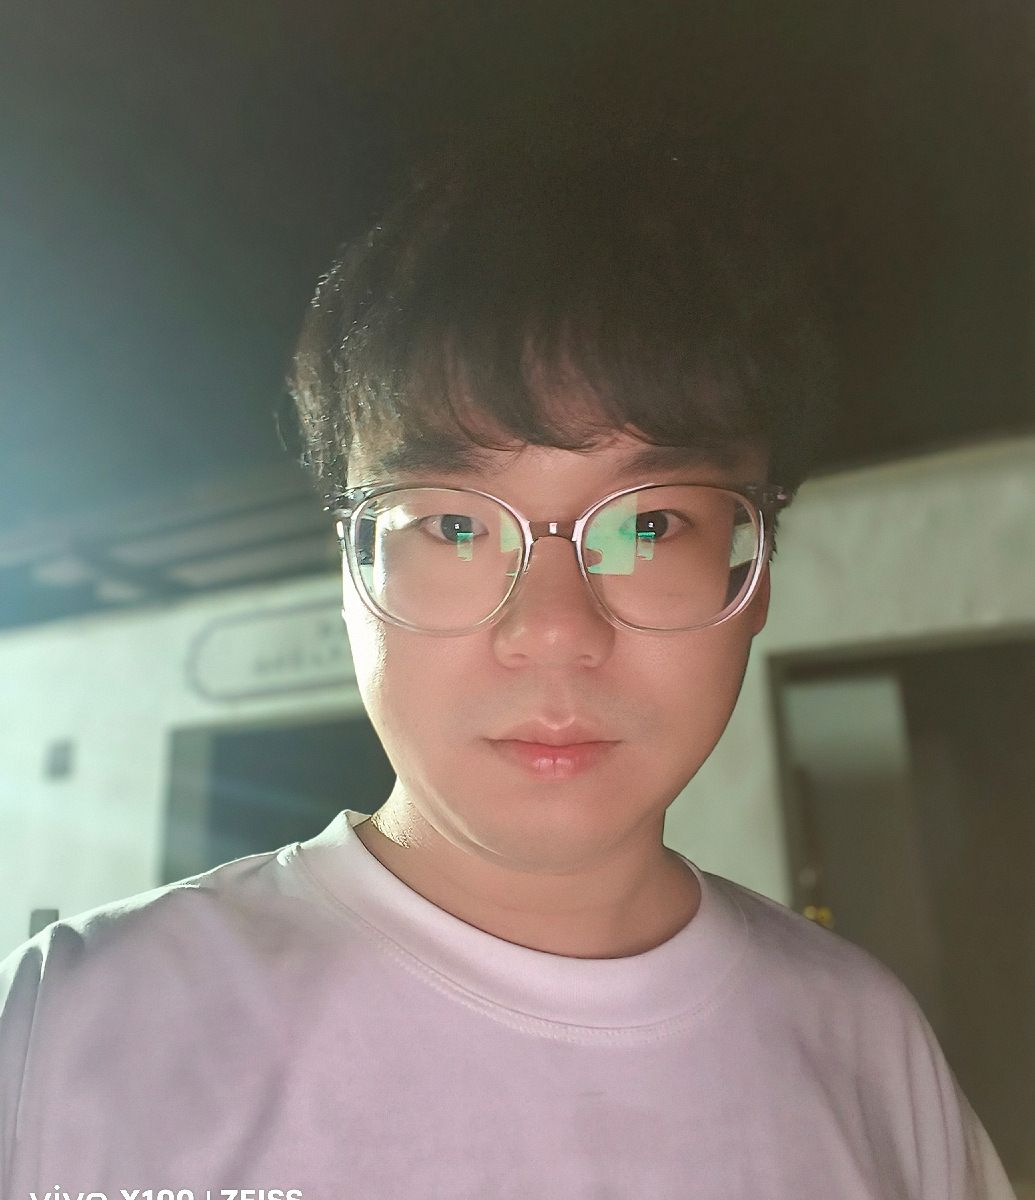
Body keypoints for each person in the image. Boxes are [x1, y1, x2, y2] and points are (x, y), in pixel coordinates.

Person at [0, 122, 1016, 1198]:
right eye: (452, 526)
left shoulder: (867, 1052)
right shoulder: (77, 1031)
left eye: (647, 525)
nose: (555, 629)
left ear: (752, 574)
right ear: (351, 572)